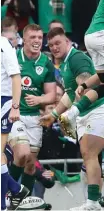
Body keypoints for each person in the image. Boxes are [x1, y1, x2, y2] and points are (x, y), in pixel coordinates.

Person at [40, 27, 104, 211]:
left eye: (57, 43)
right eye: (50, 45)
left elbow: (88, 89)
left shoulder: (76, 58)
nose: (54, 48)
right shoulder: (64, 63)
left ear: (67, 41)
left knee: (91, 154)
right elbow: (69, 94)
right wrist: (54, 114)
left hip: (98, 110)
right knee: (94, 155)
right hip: (84, 113)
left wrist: (73, 111)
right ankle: (97, 200)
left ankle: (96, 201)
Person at [9, 24, 56, 196]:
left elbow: (52, 95)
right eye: (32, 38)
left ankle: (23, 202)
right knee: (22, 154)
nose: (37, 41)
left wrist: (39, 99)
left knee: (30, 164)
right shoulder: (12, 58)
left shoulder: (46, 63)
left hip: (35, 118)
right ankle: (8, 193)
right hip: (14, 114)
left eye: (39, 38)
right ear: (24, 40)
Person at [1, 36, 29, 211]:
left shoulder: (3, 44)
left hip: (4, 103)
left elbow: (16, 77)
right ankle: (16, 189)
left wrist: (15, 107)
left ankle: (2, 205)